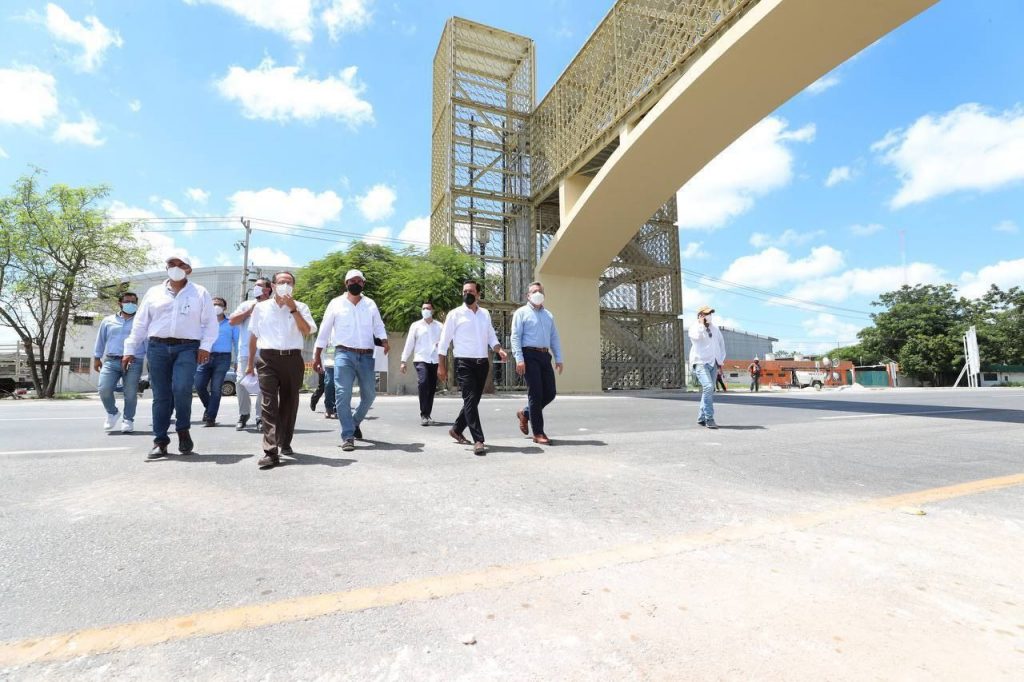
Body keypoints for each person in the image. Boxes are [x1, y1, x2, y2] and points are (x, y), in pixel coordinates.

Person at [123, 255, 218, 459]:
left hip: (187, 347)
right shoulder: (154, 292)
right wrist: (130, 348)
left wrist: (206, 346)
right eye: (171, 264)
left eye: (181, 264)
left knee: (182, 388)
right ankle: (160, 441)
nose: (176, 268)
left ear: (189, 269)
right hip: (157, 347)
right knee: (161, 395)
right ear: (166, 267)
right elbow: (140, 323)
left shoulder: (200, 292)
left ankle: (183, 430)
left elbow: (210, 322)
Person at [245, 271, 317, 469]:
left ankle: (284, 441)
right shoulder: (261, 308)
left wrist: (293, 309)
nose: (285, 285)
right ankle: (270, 451)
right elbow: (254, 336)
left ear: (293, 286)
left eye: (289, 282)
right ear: (273, 286)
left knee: (289, 402)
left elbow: (307, 331)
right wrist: (250, 363)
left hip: (293, 359)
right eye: (281, 282)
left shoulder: (301, 307)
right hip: (267, 359)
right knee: (269, 404)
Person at [313, 269, 389, 453]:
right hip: (343, 354)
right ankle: (348, 435)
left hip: (367, 356)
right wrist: (317, 355)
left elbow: (378, 325)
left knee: (370, 395)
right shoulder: (336, 303)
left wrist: (384, 340)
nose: (356, 283)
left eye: (359, 281)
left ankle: (354, 422)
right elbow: (324, 329)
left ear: (363, 284)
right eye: (352, 281)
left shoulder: (370, 304)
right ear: (346, 284)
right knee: (342, 393)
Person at [437, 280, 509, 456]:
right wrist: (441, 366)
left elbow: (491, 336)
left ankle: (456, 429)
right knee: (470, 399)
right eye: (464, 291)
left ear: (478, 294)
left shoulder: (485, 314)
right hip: (464, 363)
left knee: (473, 401)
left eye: (470, 291)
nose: (466, 294)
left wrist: (499, 349)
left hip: (482, 363)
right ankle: (479, 440)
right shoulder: (455, 314)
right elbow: (444, 341)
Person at [510, 282, 563, 445]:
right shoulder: (521, 313)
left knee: (550, 392)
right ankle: (538, 433)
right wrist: (519, 359)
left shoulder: (548, 315)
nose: (537, 293)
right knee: (535, 393)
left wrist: (559, 358)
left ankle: (525, 413)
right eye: (534, 291)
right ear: (528, 296)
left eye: (540, 291)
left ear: (544, 295)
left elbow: (554, 337)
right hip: (529, 355)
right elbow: (515, 337)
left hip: (544, 355)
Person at [93, 291, 144, 434]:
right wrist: (97, 357)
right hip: (111, 361)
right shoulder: (108, 320)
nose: (131, 304)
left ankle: (128, 420)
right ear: (120, 303)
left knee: (130, 392)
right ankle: (112, 412)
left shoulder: (141, 321)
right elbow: (100, 340)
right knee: (104, 389)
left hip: (134, 361)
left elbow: (146, 341)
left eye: (133, 302)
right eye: (127, 301)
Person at [229, 277, 272, 431]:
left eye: (259, 285)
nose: (256, 288)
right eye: (255, 285)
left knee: (264, 385)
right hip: (245, 352)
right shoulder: (246, 304)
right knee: (240, 382)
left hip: (267, 352)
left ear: (268, 289)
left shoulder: (273, 305)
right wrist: (249, 312)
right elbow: (232, 321)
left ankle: (260, 416)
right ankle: (244, 414)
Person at [194, 296, 238, 426]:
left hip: (223, 358)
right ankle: (209, 408)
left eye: (219, 304)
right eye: (213, 304)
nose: (216, 307)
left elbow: (237, 342)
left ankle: (210, 417)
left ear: (225, 308)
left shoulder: (231, 323)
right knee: (199, 385)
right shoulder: (202, 323)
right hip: (204, 356)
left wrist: (237, 360)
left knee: (216, 388)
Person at [400, 300, 442, 426]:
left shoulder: (440, 326)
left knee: (432, 387)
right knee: (423, 382)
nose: (425, 311)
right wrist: (403, 360)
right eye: (423, 308)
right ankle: (423, 414)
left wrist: (441, 345)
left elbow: (446, 342)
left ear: (433, 310)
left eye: (428, 308)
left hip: (434, 360)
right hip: (420, 359)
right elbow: (409, 343)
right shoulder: (416, 325)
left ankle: (427, 414)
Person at [688, 305, 727, 429]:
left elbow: (720, 345)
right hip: (700, 362)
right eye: (706, 314)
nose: (709, 316)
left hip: (713, 363)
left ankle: (701, 418)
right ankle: (709, 418)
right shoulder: (694, 327)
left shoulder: (715, 329)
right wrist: (701, 325)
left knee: (709, 390)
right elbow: (696, 337)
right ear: (700, 315)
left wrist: (720, 361)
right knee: (708, 387)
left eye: (710, 313)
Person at [310, 349, 336, 418]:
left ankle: (333, 408)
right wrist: (317, 364)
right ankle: (314, 399)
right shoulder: (321, 343)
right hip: (322, 367)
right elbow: (316, 353)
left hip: (333, 366)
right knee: (322, 387)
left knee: (333, 387)